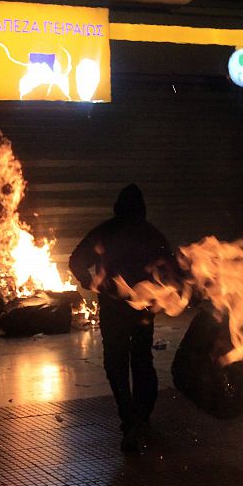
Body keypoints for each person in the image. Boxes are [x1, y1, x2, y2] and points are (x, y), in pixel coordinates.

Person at [69, 184, 179, 452]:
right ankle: (141, 417)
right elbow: (173, 269)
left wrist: (91, 283)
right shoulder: (151, 234)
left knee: (116, 362)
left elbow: (76, 261)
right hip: (142, 312)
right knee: (142, 360)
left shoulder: (106, 231)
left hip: (113, 309)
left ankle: (127, 415)